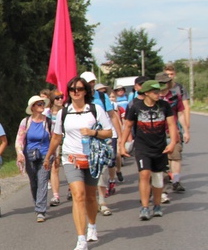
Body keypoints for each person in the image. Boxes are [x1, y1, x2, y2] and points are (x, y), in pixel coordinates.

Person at [44, 76, 113, 250]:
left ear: (86, 91)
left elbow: (108, 132)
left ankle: (92, 225)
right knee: (78, 195)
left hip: (91, 158)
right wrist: (49, 156)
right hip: (71, 158)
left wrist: (93, 132)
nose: (76, 92)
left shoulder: (95, 110)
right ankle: (81, 239)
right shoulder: (63, 113)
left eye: (80, 89)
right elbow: (57, 137)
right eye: (73, 89)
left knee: (90, 197)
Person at [119, 80, 179, 220]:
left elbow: (171, 124)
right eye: (155, 92)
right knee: (144, 174)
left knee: (158, 177)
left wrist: (173, 143)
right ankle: (145, 207)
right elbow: (127, 126)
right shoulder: (136, 106)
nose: (158, 94)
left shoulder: (164, 106)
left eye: (159, 91)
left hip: (160, 147)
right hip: (142, 147)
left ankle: (157, 205)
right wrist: (122, 145)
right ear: (146, 93)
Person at [81, 72, 121, 215]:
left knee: (102, 168)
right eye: (88, 82)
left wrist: (120, 136)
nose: (91, 84)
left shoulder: (103, 97)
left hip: (102, 138)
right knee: (87, 171)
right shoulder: (79, 98)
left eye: (93, 82)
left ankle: (102, 201)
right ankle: (90, 200)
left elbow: (112, 116)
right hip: (84, 140)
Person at [16, 95, 53, 222]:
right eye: (39, 104)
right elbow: (20, 139)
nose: (42, 105)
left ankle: (40, 210)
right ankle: (38, 203)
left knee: (42, 180)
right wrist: (20, 153)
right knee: (34, 181)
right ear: (32, 107)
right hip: (30, 155)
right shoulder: (25, 122)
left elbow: (54, 140)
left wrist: (55, 155)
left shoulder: (48, 122)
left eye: (43, 103)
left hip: (45, 155)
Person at [156, 71, 191, 193]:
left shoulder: (175, 96)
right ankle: (162, 186)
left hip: (173, 131)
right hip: (157, 133)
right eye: (160, 83)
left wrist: (186, 130)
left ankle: (175, 180)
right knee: (161, 159)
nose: (163, 85)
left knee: (175, 156)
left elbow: (180, 114)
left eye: (165, 82)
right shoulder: (153, 98)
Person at [44, 89, 65, 206]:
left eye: (61, 97)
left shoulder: (66, 111)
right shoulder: (47, 113)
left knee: (69, 166)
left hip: (66, 142)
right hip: (52, 142)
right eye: (57, 98)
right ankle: (56, 195)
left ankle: (71, 189)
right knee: (54, 167)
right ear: (52, 100)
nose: (60, 100)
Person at [164, 63, 191, 130]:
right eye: (167, 74)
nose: (169, 76)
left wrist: (187, 124)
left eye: (171, 74)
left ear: (174, 74)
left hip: (177, 122)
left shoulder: (180, 88)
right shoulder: (160, 89)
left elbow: (186, 107)